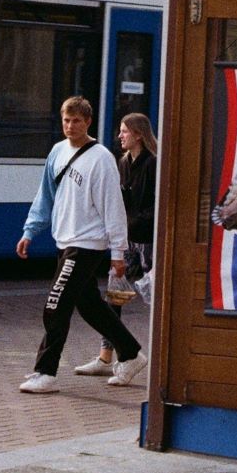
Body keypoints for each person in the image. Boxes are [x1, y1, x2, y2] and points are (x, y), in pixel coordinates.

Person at [16, 95, 147, 393]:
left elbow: (112, 207)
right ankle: (129, 353)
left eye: (76, 120)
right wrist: (29, 231)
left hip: (87, 243)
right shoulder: (57, 152)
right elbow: (45, 196)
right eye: (66, 120)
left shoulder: (100, 158)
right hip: (65, 239)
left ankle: (45, 372)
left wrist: (118, 252)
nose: (70, 126)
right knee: (89, 306)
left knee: (55, 304)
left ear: (88, 122)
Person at [75, 110, 158, 379]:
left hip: (147, 242)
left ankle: (159, 355)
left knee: (157, 299)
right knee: (114, 296)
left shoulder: (153, 163)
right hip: (125, 241)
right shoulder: (123, 163)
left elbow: (156, 207)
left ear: (138, 134)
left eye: (124, 131)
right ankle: (106, 356)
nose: (120, 135)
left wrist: (130, 222)